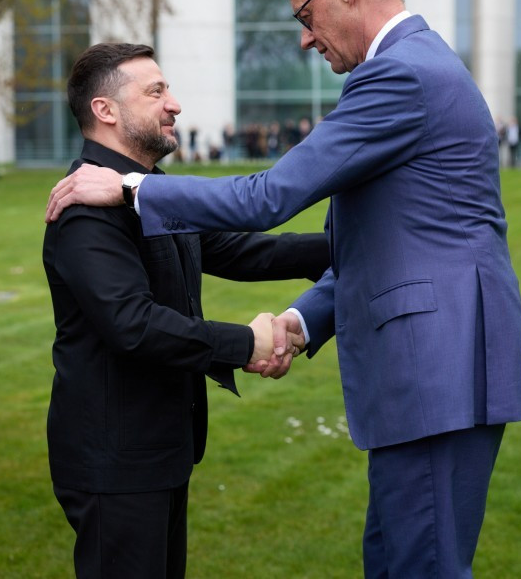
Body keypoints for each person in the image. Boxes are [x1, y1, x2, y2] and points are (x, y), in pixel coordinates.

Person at [46, 0, 521, 578]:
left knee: (420, 565)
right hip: (429, 378)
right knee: (396, 562)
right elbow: (369, 247)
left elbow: (267, 198)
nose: (305, 38)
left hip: (437, 377)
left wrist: (132, 186)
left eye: (305, 17)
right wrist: (300, 323)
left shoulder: (400, 75)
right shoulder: (412, 68)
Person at [43, 42, 329, 579]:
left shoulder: (143, 192)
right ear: (105, 110)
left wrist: (352, 244)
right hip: (116, 460)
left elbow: (241, 250)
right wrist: (246, 345)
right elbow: (133, 324)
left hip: (159, 452)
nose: (174, 104)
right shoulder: (84, 207)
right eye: (156, 92)